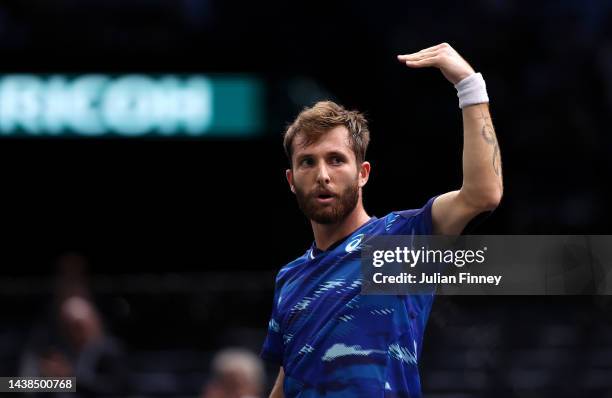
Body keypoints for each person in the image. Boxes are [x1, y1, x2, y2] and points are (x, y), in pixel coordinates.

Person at [260, 43, 503, 397]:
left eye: (336, 160)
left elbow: (483, 195)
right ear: (291, 180)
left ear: (363, 173)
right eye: (308, 162)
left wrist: (469, 85)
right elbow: (288, 379)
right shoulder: (289, 278)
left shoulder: (403, 239)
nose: (322, 175)